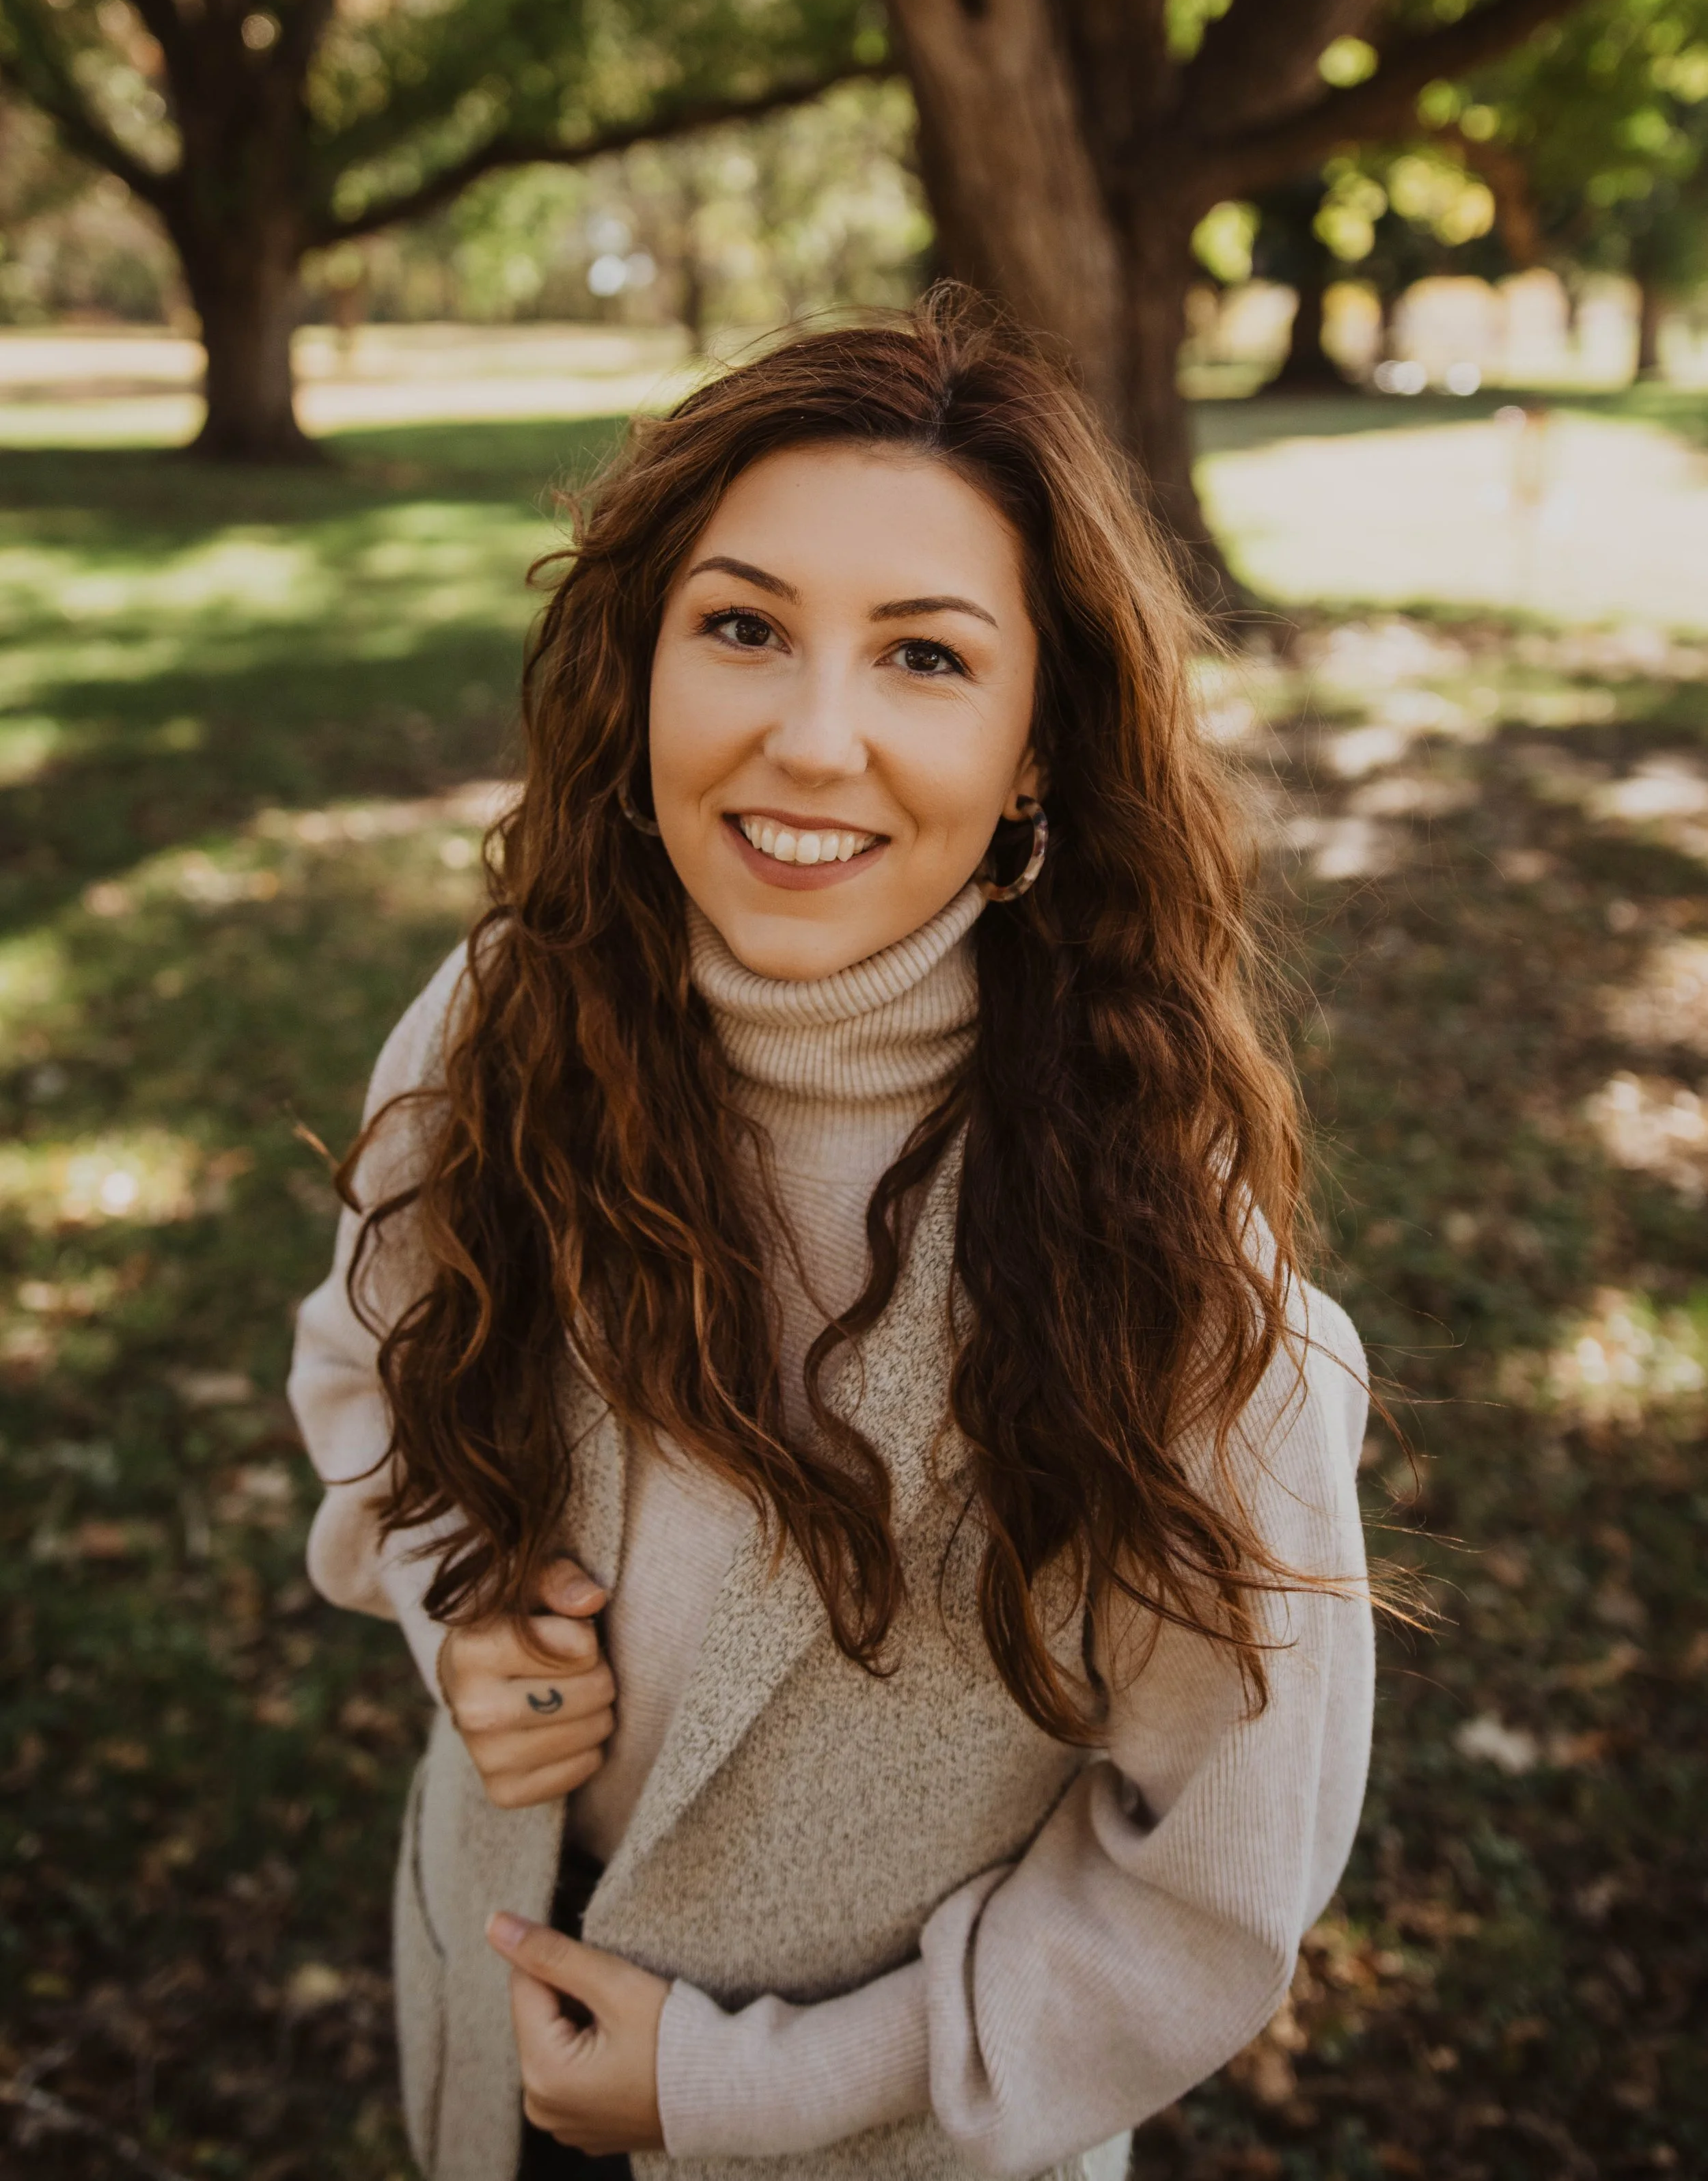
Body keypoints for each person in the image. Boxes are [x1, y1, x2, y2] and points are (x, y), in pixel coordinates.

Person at [290, 294, 1374, 2181]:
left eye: (923, 658)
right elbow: (362, 1355)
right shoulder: (497, 1024)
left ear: (1039, 745)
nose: (811, 739)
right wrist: (458, 1591)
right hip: (477, 2056)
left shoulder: (1162, 1259)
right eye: (742, 627)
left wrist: (736, 2090)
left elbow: (1201, 1892)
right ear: (642, 667)